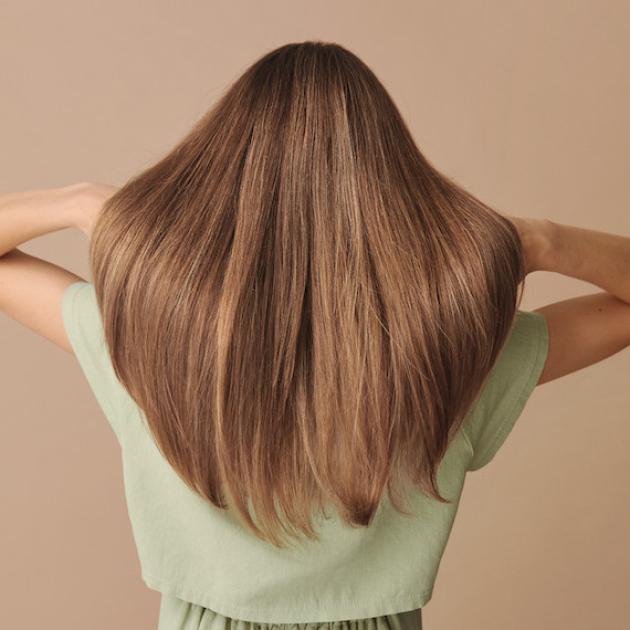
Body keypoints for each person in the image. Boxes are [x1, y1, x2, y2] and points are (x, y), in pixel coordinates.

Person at [1, 41, 629, 630]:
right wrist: (538, 240)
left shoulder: (151, 341)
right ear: (390, 187)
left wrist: (78, 202)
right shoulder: (448, 352)